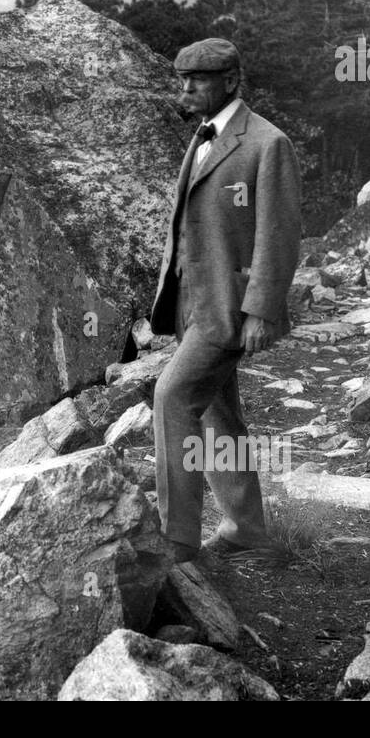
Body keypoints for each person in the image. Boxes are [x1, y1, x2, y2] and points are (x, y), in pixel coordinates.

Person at [147, 38, 301, 563]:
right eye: (182, 78)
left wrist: (261, 309)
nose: (186, 87)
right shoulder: (204, 136)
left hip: (228, 307)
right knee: (216, 413)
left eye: (199, 78)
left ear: (231, 81)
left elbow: (278, 236)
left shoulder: (267, 143)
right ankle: (246, 529)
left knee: (171, 398)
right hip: (193, 302)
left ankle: (178, 543)